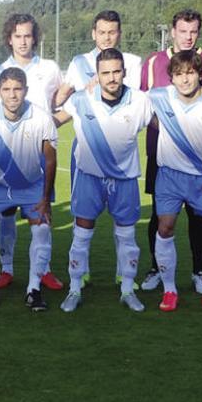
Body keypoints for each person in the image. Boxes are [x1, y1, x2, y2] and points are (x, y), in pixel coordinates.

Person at [138, 9, 202, 294]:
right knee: (160, 216)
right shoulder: (153, 62)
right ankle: (156, 268)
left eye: (193, 31)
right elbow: (142, 104)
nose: (188, 37)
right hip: (162, 155)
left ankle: (198, 271)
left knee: (197, 216)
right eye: (183, 31)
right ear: (172, 31)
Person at [53, 49, 151, 312]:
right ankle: (74, 288)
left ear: (124, 73)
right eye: (105, 72)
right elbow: (54, 122)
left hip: (125, 180)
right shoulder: (80, 100)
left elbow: (161, 130)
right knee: (81, 235)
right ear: (97, 75)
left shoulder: (140, 101)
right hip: (89, 178)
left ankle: (128, 290)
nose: (111, 78)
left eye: (116, 71)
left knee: (128, 237)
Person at [148, 50, 202, 314]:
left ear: (200, 74)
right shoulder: (158, 96)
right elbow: (126, 100)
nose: (184, 80)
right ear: (171, 78)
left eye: (190, 73)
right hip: (170, 176)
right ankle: (169, 290)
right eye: (178, 74)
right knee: (164, 227)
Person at [0, 13, 64, 291]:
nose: (23, 41)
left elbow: (62, 102)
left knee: (41, 215)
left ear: (35, 37)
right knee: (6, 215)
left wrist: (51, 124)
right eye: (17, 36)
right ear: (9, 38)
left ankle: (44, 269)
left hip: (39, 156)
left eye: (27, 35)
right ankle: (6, 269)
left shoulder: (50, 68)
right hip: (6, 156)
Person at [0, 67, 57, 311]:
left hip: (30, 185)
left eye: (17, 89)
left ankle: (34, 289)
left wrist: (46, 199)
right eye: (6, 89)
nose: (12, 95)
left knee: (42, 229)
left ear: (26, 90)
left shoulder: (40, 118)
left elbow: (50, 160)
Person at [65, 10, 143, 92]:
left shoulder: (133, 62)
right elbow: (63, 96)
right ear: (93, 34)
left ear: (119, 35)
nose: (107, 38)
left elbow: (134, 97)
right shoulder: (78, 63)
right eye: (102, 33)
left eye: (112, 33)